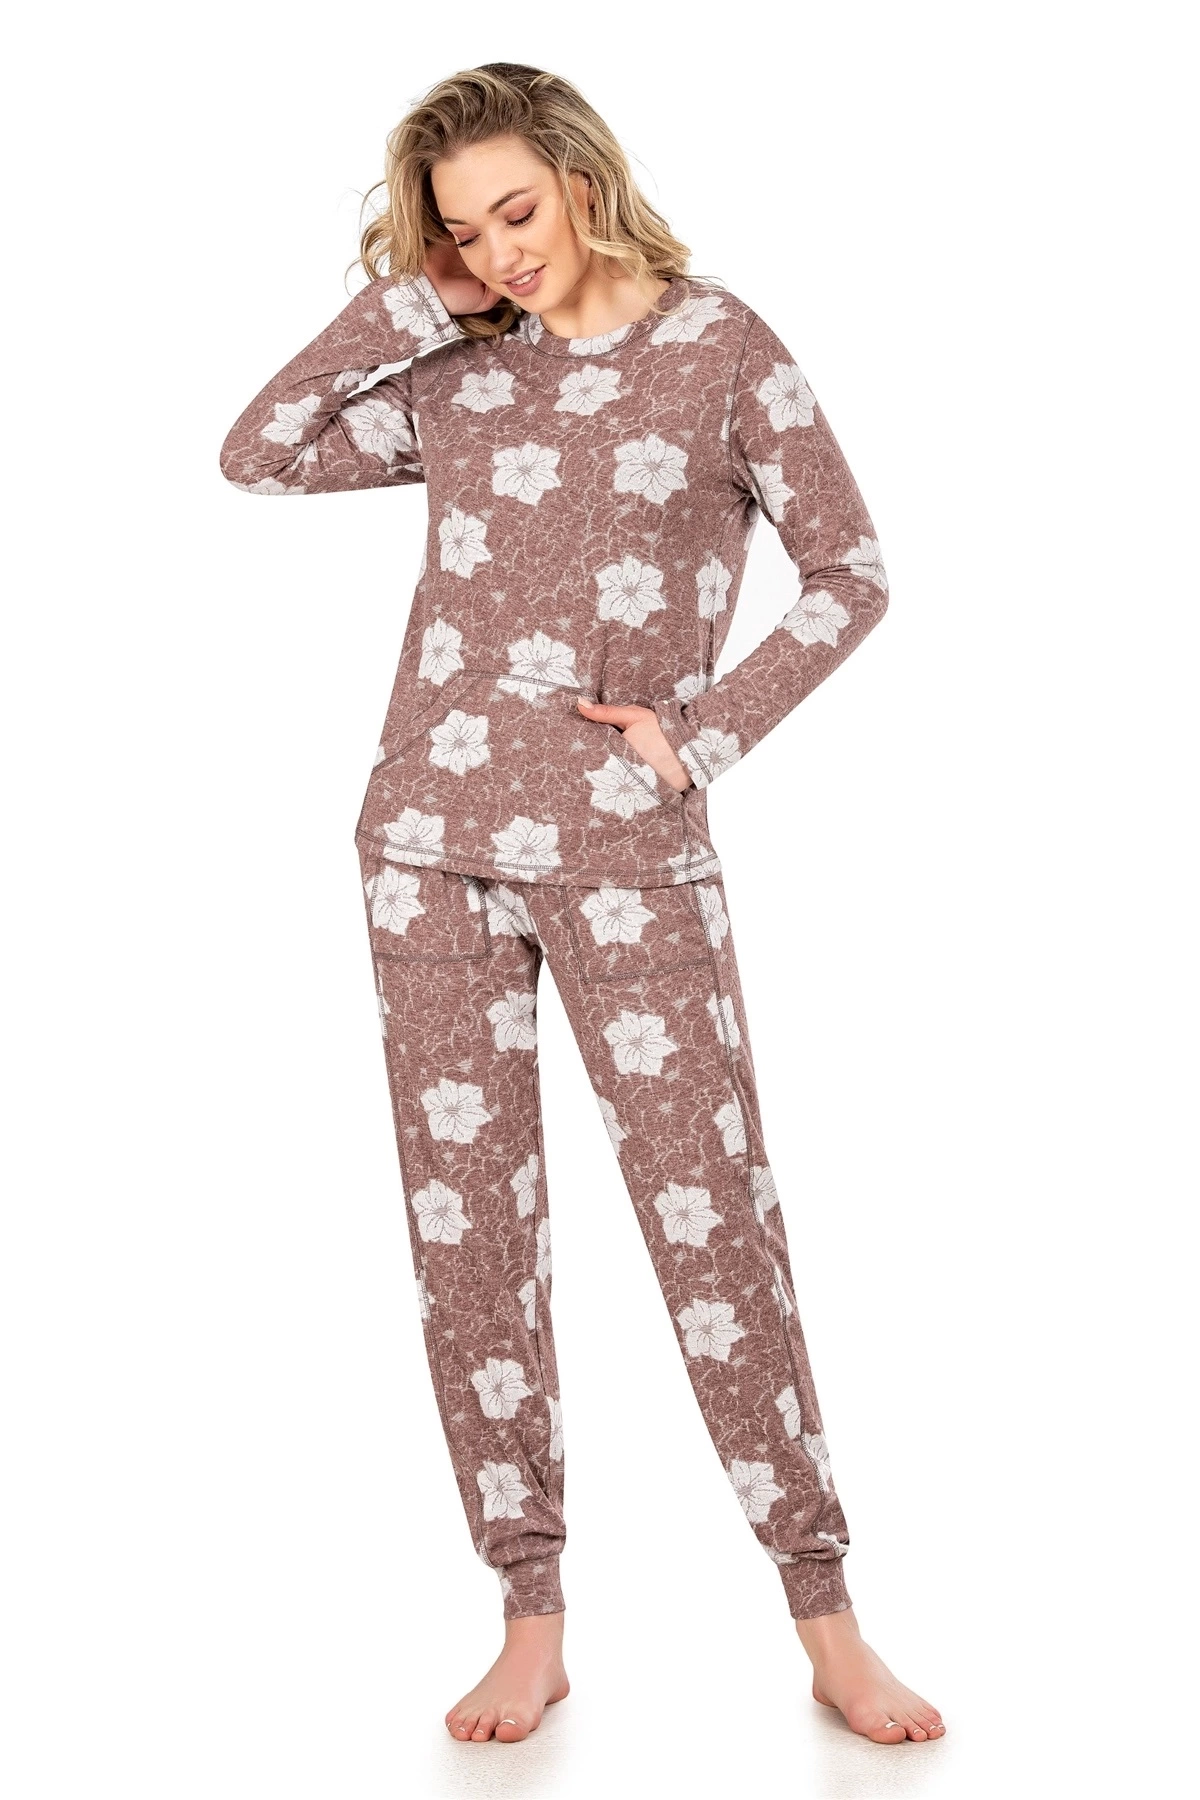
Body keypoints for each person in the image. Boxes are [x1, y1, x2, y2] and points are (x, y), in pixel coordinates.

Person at [219, 61, 945, 1750]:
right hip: (426, 838)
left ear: (584, 178)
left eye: (516, 212)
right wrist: (416, 302)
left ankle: (825, 1614)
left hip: (627, 846)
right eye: (463, 230)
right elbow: (257, 454)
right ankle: (529, 1617)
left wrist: (702, 735)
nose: (500, 251)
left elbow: (851, 575)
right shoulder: (460, 371)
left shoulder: (723, 350)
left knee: (715, 1224)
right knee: (470, 1238)